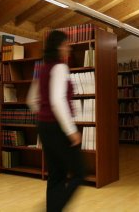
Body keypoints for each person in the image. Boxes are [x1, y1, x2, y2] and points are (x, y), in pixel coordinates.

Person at [37, 30, 84, 212]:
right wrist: (71, 130)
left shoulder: (42, 69)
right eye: (66, 45)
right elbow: (58, 101)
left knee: (56, 175)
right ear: (58, 47)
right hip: (57, 128)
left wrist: (43, 114)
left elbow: (33, 99)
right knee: (79, 173)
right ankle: (55, 208)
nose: (69, 49)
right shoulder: (60, 68)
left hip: (44, 126)